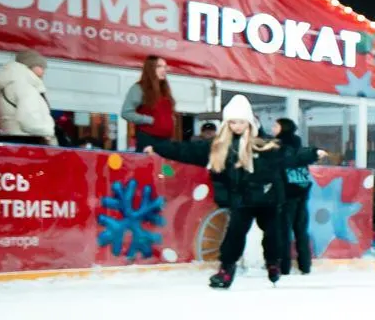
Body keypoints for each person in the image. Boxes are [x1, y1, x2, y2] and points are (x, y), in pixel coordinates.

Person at [147, 95, 321, 288]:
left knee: (273, 234)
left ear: (249, 122)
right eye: (232, 122)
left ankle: (273, 263)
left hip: (268, 198)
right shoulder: (219, 146)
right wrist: (159, 148)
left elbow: (290, 155)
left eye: (240, 122)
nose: (237, 126)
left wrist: (312, 153)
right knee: (234, 235)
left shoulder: (264, 144)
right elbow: (187, 150)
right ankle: (226, 271)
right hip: (242, 199)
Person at [272, 117, 316, 276]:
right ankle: (305, 265)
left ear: (283, 128)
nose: (273, 128)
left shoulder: (281, 146)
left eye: (276, 126)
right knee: (301, 230)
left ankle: (284, 266)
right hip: (301, 192)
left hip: (287, 193)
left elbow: (279, 169)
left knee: (284, 231)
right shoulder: (298, 145)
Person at [0, 49, 56, 146]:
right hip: (28, 142)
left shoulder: (12, 85)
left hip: (16, 140)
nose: (44, 71)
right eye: (41, 66)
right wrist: (49, 132)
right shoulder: (24, 86)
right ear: (30, 66)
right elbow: (30, 120)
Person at [123, 55, 178, 152]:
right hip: (148, 138)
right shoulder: (139, 88)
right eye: (159, 66)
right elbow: (126, 113)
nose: (164, 70)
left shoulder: (164, 90)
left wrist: (170, 120)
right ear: (150, 68)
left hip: (166, 140)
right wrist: (149, 120)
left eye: (165, 67)